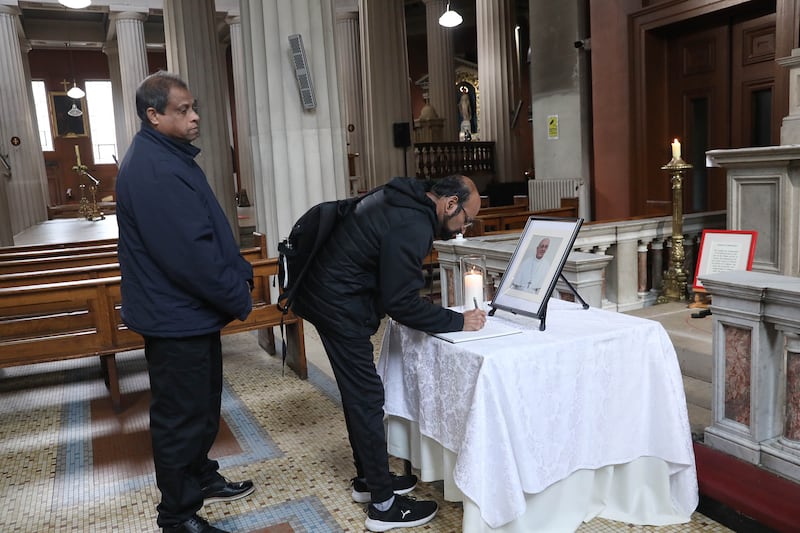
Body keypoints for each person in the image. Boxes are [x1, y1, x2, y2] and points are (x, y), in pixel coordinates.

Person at [291, 175, 487, 532]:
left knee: (359, 395)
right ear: (449, 204)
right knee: (366, 396)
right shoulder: (413, 222)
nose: (464, 229)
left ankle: (370, 480)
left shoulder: (404, 197)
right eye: (466, 219)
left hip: (327, 293)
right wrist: (458, 322)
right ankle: (383, 506)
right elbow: (401, 304)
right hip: (336, 304)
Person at [116, 71, 255, 533]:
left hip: (187, 314)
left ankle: (200, 476)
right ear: (153, 115)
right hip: (174, 315)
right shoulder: (154, 168)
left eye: (194, 108)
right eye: (182, 110)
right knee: (180, 418)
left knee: (202, 406)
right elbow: (189, 254)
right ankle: (177, 516)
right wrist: (239, 293)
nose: (195, 117)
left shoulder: (166, 154)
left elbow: (204, 231)